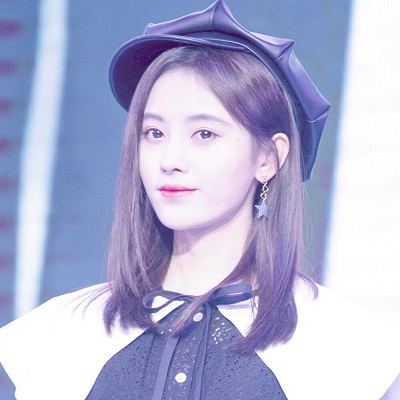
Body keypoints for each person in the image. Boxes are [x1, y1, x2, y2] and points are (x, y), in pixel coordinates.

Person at [0, 1, 399, 399]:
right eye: (154, 133)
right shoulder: (60, 335)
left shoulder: (344, 348)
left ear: (268, 158)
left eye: (204, 134)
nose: (170, 160)